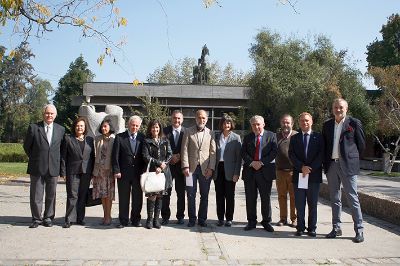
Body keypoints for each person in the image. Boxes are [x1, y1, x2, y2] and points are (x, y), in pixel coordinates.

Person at [322, 98, 366, 243]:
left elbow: (361, 145)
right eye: (335, 107)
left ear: (346, 108)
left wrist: (352, 159)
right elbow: (325, 145)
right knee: (335, 198)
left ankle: (359, 230)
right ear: (332, 109)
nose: (338, 109)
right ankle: (336, 228)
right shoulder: (327, 125)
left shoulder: (353, 123)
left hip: (348, 165)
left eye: (341, 107)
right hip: (332, 165)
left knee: (352, 197)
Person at [23, 104, 65, 228]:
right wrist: (36, 157)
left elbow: (62, 150)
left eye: (52, 113)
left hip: (53, 167)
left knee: (51, 194)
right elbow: (27, 146)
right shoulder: (34, 127)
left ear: (55, 115)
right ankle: (36, 218)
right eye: (47, 113)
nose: (49, 115)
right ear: (43, 114)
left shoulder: (60, 129)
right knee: (36, 194)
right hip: (37, 166)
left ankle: (48, 217)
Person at [288, 112, 324, 237]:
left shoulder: (319, 137)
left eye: (307, 120)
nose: (305, 123)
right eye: (302, 121)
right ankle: (300, 227)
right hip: (299, 175)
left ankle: (312, 228)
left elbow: (321, 155)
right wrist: (301, 167)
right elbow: (291, 155)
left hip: (313, 176)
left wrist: (310, 168)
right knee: (300, 203)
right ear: (299, 123)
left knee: (312, 203)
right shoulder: (294, 138)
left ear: (312, 121)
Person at [241, 115, 277, 232]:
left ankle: (266, 221)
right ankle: (251, 221)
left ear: (263, 124)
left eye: (258, 124)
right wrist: (252, 162)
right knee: (250, 198)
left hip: (265, 171)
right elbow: (243, 152)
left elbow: (273, 152)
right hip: (250, 171)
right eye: (253, 125)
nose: (256, 127)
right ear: (251, 126)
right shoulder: (247, 138)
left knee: (265, 198)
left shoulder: (271, 136)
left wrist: (261, 162)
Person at [181, 109, 216, 227]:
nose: (201, 120)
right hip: (190, 170)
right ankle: (192, 219)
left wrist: (211, 168)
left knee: (204, 194)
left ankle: (202, 219)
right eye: (199, 118)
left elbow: (213, 152)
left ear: (206, 119)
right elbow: (184, 149)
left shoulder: (211, 133)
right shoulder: (188, 131)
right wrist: (185, 166)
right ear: (196, 118)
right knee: (190, 194)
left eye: (204, 118)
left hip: (205, 170)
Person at [112, 115, 146, 228]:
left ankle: (136, 220)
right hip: (123, 173)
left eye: (137, 125)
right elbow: (115, 156)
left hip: (138, 174)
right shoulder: (120, 137)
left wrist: (145, 171)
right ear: (128, 125)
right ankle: (123, 220)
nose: (134, 127)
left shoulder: (142, 138)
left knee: (137, 198)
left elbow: (144, 155)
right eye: (132, 125)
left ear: (139, 126)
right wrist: (116, 170)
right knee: (123, 198)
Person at [60, 117, 95, 228]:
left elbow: (92, 157)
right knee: (72, 195)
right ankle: (69, 219)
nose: (79, 128)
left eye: (82, 126)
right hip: (72, 171)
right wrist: (63, 172)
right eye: (77, 126)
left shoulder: (89, 140)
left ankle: (80, 218)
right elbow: (63, 157)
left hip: (86, 172)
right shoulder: (68, 139)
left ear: (85, 128)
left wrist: (93, 172)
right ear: (74, 127)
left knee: (82, 195)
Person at [142, 120, 173, 229]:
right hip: (152, 172)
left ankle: (156, 220)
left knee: (160, 196)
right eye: (153, 127)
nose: (155, 129)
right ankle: (149, 220)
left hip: (163, 172)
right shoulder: (147, 141)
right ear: (150, 129)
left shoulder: (165, 140)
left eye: (157, 127)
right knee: (152, 196)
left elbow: (170, 154)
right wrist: (158, 164)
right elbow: (146, 156)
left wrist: (162, 166)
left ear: (160, 128)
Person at [213, 115, 242, 227]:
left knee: (230, 195)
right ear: (221, 124)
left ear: (231, 125)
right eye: (225, 123)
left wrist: (236, 173)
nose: (227, 125)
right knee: (219, 195)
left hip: (230, 170)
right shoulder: (216, 136)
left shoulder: (236, 138)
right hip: (218, 169)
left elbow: (239, 158)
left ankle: (229, 218)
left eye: (229, 123)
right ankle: (220, 218)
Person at [162, 110, 186, 225]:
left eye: (179, 118)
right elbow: (161, 148)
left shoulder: (186, 132)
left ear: (182, 119)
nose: (176, 120)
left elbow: (189, 148)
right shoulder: (164, 131)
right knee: (166, 192)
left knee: (181, 193)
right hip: (168, 166)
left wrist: (180, 156)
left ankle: (180, 216)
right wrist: (170, 158)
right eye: (174, 118)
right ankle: (165, 217)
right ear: (171, 119)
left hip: (181, 167)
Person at [92, 119, 116, 226]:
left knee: (109, 195)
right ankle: (105, 215)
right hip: (99, 171)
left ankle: (108, 216)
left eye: (105, 126)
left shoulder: (114, 139)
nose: (103, 128)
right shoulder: (97, 139)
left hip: (109, 171)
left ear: (110, 127)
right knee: (102, 194)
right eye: (102, 126)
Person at [275, 114, 298, 227]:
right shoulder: (276, 136)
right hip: (280, 171)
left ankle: (294, 219)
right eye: (284, 122)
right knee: (282, 196)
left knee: (294, 196)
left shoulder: (297, 136)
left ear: (292, 124)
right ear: (281, 123)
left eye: (288, 122)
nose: (286, 124)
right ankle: (283, 218)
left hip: (293, 172)